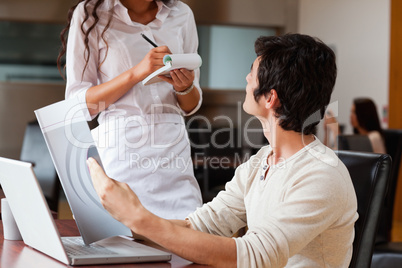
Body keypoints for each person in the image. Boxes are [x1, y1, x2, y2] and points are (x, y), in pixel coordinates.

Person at [87, 33, 358, 267]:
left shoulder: (322, 175)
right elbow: (202, 226)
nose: (246, 78)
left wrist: (139, 217)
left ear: (270, 97)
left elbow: (254, 256)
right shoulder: (261, 162)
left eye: (252, 73)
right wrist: (125, 222)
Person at [57, 0, 203, 219]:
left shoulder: (182, 13)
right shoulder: (89, 14)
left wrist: (185, 86)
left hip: (174, 160)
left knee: (188, 241)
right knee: (126, 244)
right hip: (122, 160)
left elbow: (191, 105)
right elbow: (78, 107)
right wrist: (136, 73)